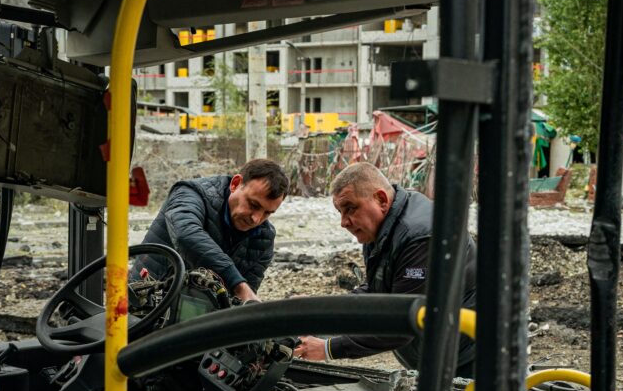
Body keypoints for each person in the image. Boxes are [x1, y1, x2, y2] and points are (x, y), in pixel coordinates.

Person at [294, 163, 476, 377]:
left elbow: (403, 323)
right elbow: (376, 291)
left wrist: (328, 348)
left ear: (381, 199)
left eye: (350, 208)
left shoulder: (421, 237)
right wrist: (319, 311)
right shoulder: (380, 227)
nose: (343, 222)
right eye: (340, 212)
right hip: (435, 353)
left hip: (467, 355)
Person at [136, 158, 289, 302]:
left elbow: (244, 299)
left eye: (267, 213)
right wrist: (236, 283)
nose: (256, 218)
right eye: (253, 205)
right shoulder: (190, 193)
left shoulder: (264, 238)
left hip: (199, 319)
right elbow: (186, 234)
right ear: (235, 184)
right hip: (143, 304)